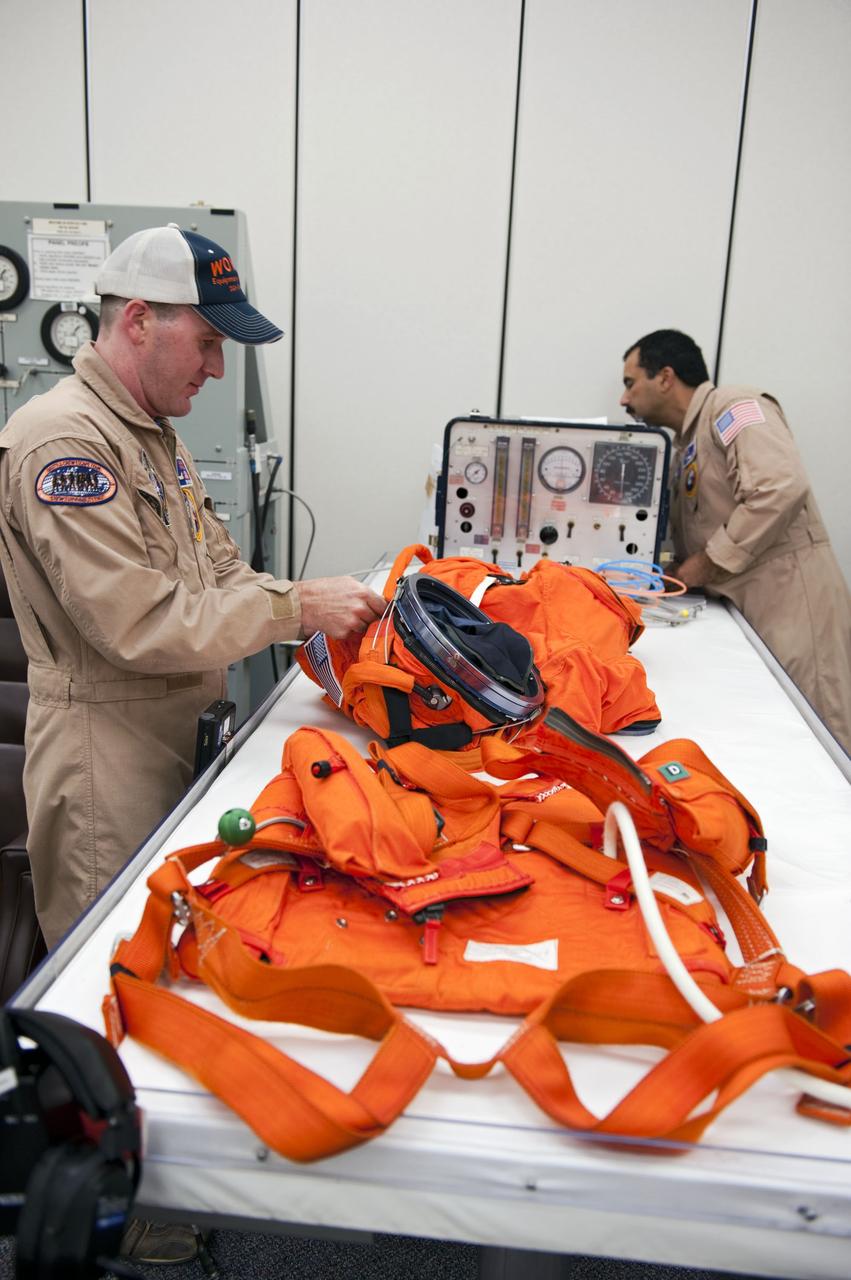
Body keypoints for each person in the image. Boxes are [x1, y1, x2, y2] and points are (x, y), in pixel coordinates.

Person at [0, 224, 386, 952]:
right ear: (141, 320)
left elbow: (220, 571)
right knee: (115, 968)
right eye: (208, 342)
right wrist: (297, 607)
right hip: (107, 763)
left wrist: (320, 614)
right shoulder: (67, 442)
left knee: (179, 954)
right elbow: (137, 624)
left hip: (178, 734)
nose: (215, 369)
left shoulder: (153, 433)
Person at [619, 329, 851, 753]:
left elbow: (779, 487)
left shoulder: (735, 407)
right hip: (756, 608)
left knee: (823, 737)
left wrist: (700, 568)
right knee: (780, 744)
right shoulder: (687, 444)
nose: (624, 399)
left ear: (666, 377)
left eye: (630, 383)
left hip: (793, 606)